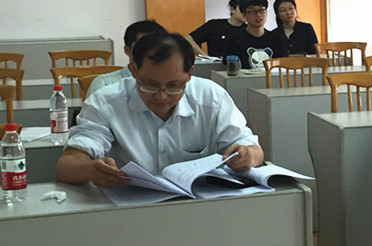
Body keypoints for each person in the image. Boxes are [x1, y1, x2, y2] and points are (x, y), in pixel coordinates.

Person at [55, 32, 263, 188]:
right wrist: (90, 170)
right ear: (134, 71)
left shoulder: (211, 97)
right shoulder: (106, 102)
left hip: (199, 206)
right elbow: (66, 166)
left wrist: (248, 155)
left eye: (174, 86)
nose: (161, 96)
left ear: (189, 74)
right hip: (130, 208)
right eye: (150, 85)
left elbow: (252, 149)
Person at [86, 20, 166, 97]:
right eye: (143, 47)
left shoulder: (169, 83)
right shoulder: (104, 84)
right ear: (127, 50)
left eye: (157, 47)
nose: (151, 52)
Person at [223, 0, 287, 70]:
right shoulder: (234, 40)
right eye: (252, 11)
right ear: (244, 15)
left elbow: (282, 66)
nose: (258, 15)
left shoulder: (277, 39)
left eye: (262, 10)